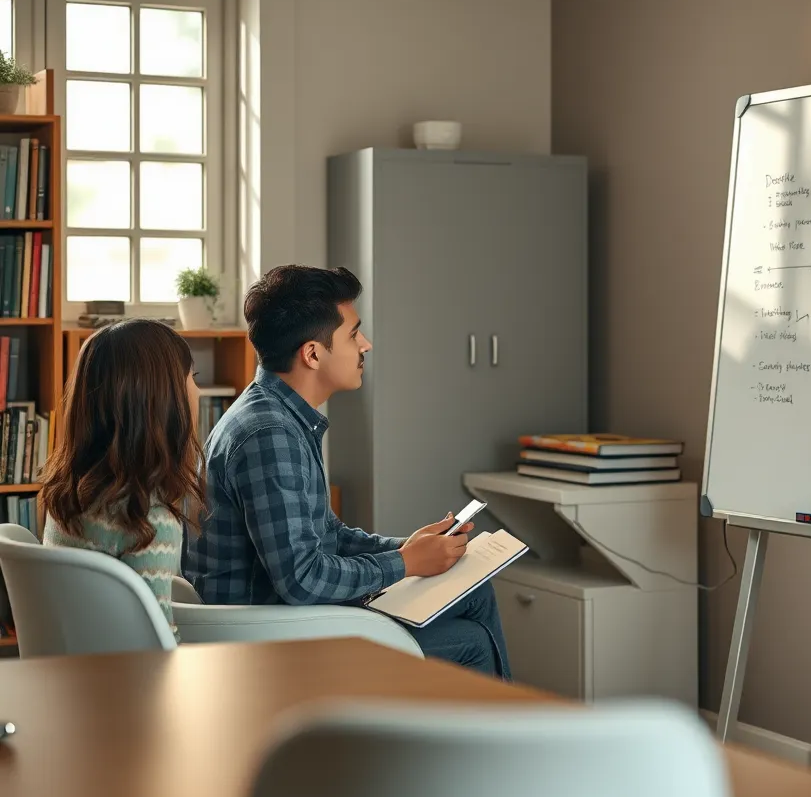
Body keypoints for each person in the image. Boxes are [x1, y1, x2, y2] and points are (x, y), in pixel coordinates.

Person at [183, 265, 510, 678]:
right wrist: (406, 563)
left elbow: (328, 535)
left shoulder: (277, 415)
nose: (366, 345)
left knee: (472, 591)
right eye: (354, 334)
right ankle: (509, 737)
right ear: (313, 353)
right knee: (471, 644)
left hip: (285, 618)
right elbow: (302, 579)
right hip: (263, 640)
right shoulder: (269, 434)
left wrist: (407, 547)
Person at [41, 319, 205, 637]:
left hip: (73, 673)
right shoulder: (147, 520)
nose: (198, 390)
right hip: (125, 682)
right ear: (166, 402)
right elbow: (158, 648)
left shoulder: (68, 495)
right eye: (193, 378)